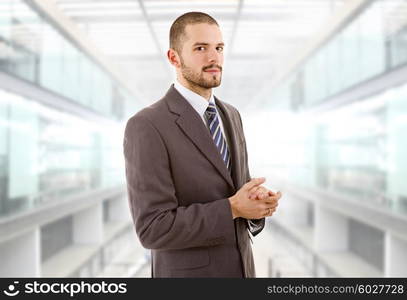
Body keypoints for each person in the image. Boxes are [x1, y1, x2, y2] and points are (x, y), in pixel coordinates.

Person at [123, 11, 281, 278]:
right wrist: (232, 208)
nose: (214, 58)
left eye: (219, 48)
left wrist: (255, 203)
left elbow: (231, 188)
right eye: (200, 48)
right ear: (174, 58)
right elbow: (153, 228)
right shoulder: (147, 125)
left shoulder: (231, 114)